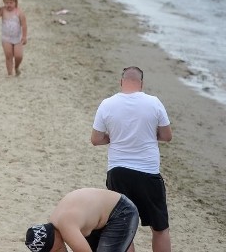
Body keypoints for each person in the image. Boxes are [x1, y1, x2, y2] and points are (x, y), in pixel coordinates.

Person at [91, 66, 172, 252]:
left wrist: (115, 137)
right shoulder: (154, 102)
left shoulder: (107, 104)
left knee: (124, 228)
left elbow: (96, 139)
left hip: (118, 171)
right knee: (160, 228)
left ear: (121, 82)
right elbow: (167, 136)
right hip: (148, 172)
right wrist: (149, 135)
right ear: (141, 84)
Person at [25, 188, 138, 252]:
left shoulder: (67, 227)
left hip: (121, 211)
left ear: (54, 238)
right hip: (96, 218)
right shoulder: (56, 224)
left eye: (55, 250)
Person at [0, 0, 27, 76]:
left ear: (15, 2)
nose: (8, 5)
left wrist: (24, 36)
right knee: (8, 56)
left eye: (11, 3)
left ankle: (17, 67)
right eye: (6, 3)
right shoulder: (3, 10)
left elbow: (24, 25)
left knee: (19, 56)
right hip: (6, 38)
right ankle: (10, 73)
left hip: (17, 38)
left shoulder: (19, 12)